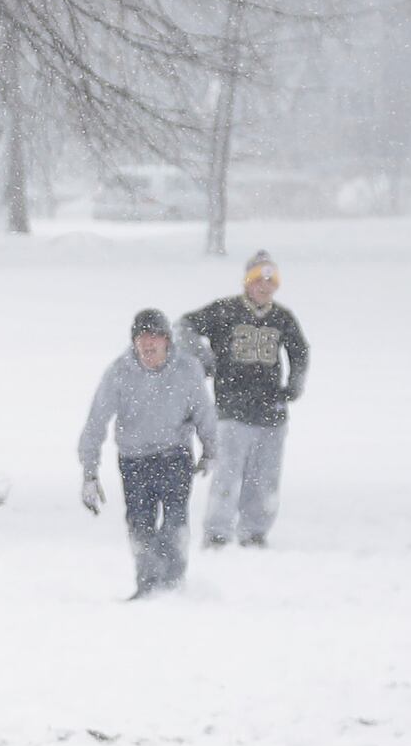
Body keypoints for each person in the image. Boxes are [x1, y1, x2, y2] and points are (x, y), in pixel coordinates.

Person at [77, 309, 217, 598]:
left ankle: (173, 583)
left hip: (175, 455)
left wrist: (210, 450)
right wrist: (89, 473)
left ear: (167, 340)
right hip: (134, 460)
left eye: (155, 337)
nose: (148, 345)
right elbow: (96, 422)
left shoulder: (187, 369)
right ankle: (148, 584)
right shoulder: (119, 373)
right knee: (140, 523)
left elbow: (205, 412)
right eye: (142, 338)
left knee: (176, 521)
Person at [178, 252, 310, 548]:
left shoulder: (282, 317)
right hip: (231, 409)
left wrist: (295, 385)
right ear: (247, 282)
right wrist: (204, 358)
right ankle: (217, 532)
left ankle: (254, 532)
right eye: (258, 281)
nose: (264, 287)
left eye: (270, 282)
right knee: (226, 473)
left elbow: (300, 351)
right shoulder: (225, 311)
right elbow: (184, 326)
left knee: (265, 477)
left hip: (270, 410)